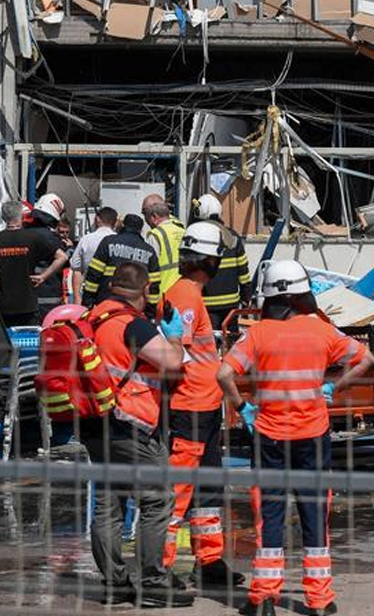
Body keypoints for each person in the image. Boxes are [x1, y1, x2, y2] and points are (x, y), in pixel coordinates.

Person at [217, 260, 374, 616]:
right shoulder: (322, 331)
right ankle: (318, 601)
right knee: (314, 513)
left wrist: (242, 407)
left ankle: (263, 598)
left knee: (269, 515)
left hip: (269, 436)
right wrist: (334, 385)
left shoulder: (258, 333)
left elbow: (224, 373)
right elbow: (366, 358)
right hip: (313, 435)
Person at [84, 262, 192, 607]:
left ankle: (115, 584)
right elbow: (172, 363)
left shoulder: (93, 317)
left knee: (109, 502)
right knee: (156, 501)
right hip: (130, 424)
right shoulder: (133, 325)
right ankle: (154, 585)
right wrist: (173, 334)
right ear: (145, 291)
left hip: (93, 422)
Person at [155, 221, 244, 590]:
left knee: (207, 491)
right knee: (180, 490)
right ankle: (161, 567)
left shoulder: (188, 293)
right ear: (209, 261)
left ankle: (208, 562)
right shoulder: (186, 297)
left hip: (202, 405)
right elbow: (177, 356)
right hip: (190, 406)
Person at [0, 201, 67, 327]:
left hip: (2, 305)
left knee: (5, 343)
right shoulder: (34, 237)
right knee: (28, 343)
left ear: (4, 218)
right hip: (28, 305)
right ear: (22, 216)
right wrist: (44, 276)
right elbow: (62, 257)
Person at [191, 193, 251, 321]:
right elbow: (243, 271)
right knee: (230, 338)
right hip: (231, 306)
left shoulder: (196, 236)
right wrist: (247, 296)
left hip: (206, 304)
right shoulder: (233, 237)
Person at [82, 213, 159, 306]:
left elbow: (94, 274)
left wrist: (88, 302)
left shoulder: (108, 242)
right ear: (140, 230)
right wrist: (151, 312)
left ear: (123, 225)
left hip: (107, 303)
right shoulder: (149, 251)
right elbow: (154, 284)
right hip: (135, 307)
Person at [142, 195, 185, 302]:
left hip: (163, 293)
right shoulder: (182, 229)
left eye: (145, 214)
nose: (145, 219)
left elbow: (148, 266)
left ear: (154, 216)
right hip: (184, 290)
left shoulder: (156, 235)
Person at [70, 206, 117, 302]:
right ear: (114, 222)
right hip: (112, 295)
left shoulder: (86, 239)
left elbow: (77, 269)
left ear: (98, 219)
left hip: (90, 294)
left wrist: (77, 297)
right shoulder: (119, 241)